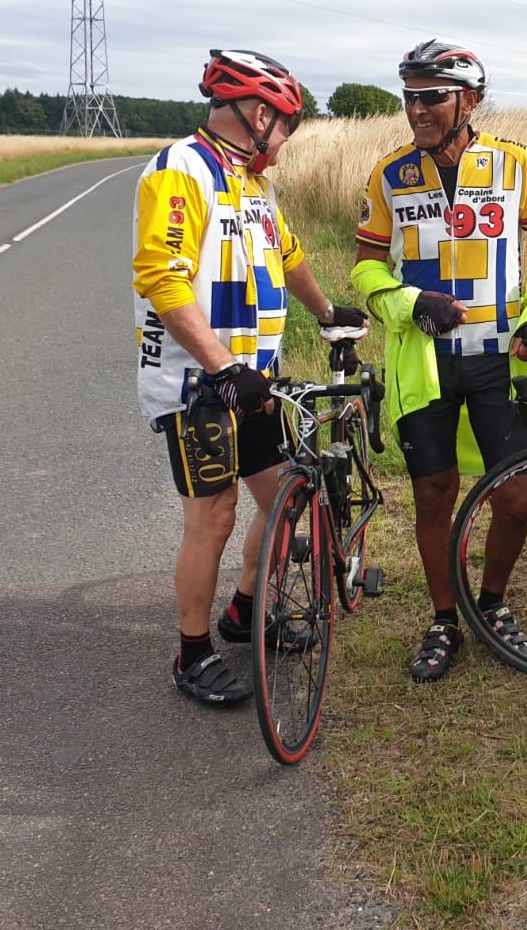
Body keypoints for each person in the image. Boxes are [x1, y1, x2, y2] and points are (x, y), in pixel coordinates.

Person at [133, 49, 367, 707]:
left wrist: (327, 313)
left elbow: (287, 256)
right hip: (199, 386)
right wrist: (223, 367)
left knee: (282, 495)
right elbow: (162, 279)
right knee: (213, 516)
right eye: (287, 124)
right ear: (260, 115)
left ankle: (243, 612)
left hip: (253, 382)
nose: (287, 139)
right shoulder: (181, 170)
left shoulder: (253, 182)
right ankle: (192, 653)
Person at [352, 39, 527, 682]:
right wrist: (410, 301)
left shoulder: (512, 163)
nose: (417, 109)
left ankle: (492, 604)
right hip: (426, 362)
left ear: (469, 101)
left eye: (433, 97)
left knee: (517, 497)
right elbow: (365, 268)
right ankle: (445, 618)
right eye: (410, 97)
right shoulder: (390, 174)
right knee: (433, 495)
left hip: (499, 358)